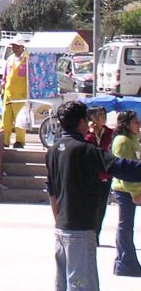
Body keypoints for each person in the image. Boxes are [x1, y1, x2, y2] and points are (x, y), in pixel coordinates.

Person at [46, 100, 141, 291]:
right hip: (80, 229)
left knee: (64, 284)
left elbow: (51, 191)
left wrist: (59, 221)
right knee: (82, 285)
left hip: (62, 229)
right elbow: (121, 168)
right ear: (82, 122)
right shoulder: (86, 149)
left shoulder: (53, 150)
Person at [110, 110, 141, 276]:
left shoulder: (132, 140)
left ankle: (125, 261)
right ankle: (125, 262)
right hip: (125, 190)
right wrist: (134, 192)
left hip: (132, 189)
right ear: (126, 124)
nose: (138, 125)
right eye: (135, 122)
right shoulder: (122, 141)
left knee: (127, 226)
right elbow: (123, 169)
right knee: (125, 226)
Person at [85, 106, 115, 243]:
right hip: (91, 175)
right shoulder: (87, 132)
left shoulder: (110, 133)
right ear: (92, 117)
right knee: (90, 205)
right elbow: (88, 148)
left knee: (101, 206)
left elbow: (104, 151)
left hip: (105, 175)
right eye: (100, 114)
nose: (103, 117)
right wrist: (92, 134)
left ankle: (96, 234)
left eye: (104, 114)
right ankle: (89, 233)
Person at [2, 36, 29, 149]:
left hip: (21, 94)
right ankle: (4, 140)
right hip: (8, 93)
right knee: (5, 118)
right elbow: (5, 74)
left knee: (20, 119)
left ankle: (20, 141)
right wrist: (3, 85)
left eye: (17, 46)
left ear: (22, 47)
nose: (14, 49)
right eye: (13, 46)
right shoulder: (10, 59)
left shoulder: (28, 59)